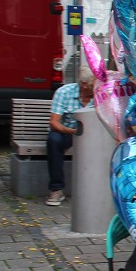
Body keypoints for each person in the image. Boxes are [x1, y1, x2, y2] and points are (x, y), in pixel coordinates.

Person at [46, 64, 95, 206]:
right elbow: (54, 123)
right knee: (53, 140)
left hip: (93, 135)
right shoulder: (64, 92)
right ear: (84, 84)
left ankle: (98, 190)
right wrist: (73, 132)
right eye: (94, 82)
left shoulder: (101, 94)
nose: (98, 85)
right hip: (69, 132)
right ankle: (56, 189)